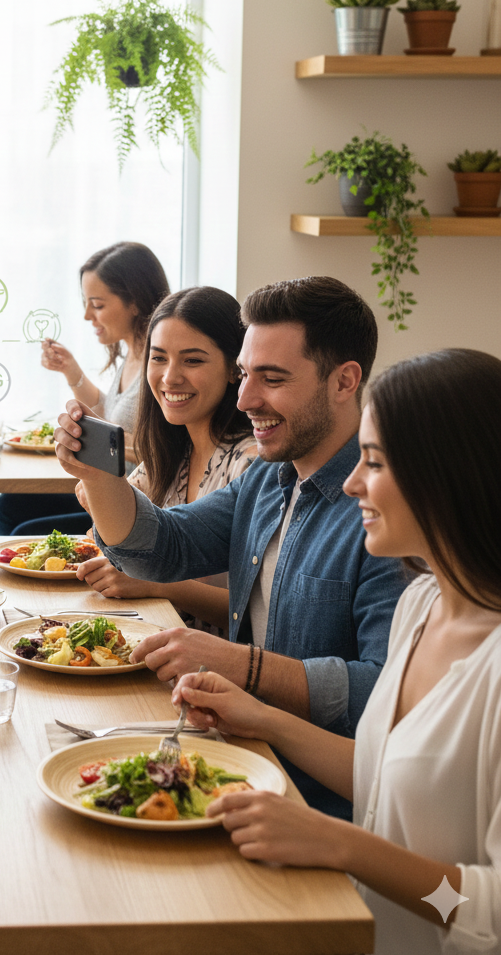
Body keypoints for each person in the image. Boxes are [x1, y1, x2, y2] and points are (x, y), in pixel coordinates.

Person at [173, 349, 501, 955]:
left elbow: (486, 915)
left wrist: (341, 844)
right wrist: (259, 716)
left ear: (448, 473)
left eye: (373, 463)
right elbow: (384, 779)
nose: (351, 483)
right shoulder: (422, 604)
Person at [55, 276, 406, 818]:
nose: (244, 399)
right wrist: (98, 474)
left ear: (344, 381)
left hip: (317, 799)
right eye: (244, 375)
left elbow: (383, 691)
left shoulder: (387, 512)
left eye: (272, 378)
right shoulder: (268, 478)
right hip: (240, 758)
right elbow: (161, 548)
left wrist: (245, 666)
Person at [75, 286, 257, 625]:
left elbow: (256, 614)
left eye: (192, 360)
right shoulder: (172, 450)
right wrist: (96, 484)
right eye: (158, 358)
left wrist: (158, 584)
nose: (170, 377)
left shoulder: (251, 464)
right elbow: (119, 534)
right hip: (152, 633)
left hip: (206, 666)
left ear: (235, 369)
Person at [0, 241, 169, 536]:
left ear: (135, 301)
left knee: (19, 526)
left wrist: (100, 445)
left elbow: (162, 447)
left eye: (97, 305)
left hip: (135, 499)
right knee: (6, 508)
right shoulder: (131, 353)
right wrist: (70, 370)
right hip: (113, 485)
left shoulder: (159, 362)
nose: (88, 315)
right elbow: (109, 412)